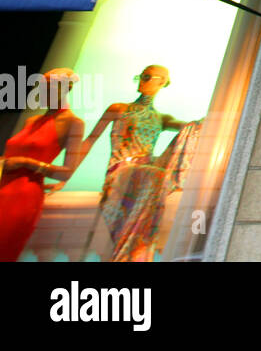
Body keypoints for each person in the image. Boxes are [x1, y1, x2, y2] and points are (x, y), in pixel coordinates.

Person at [77, 65, 202, 262]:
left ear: (162, 82)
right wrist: (65, 175)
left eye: (147, 77)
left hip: (147, 174)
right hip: (121, 169)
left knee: (192, 130)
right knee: (158, 176)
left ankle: (137, 251)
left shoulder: (161, 118)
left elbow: (191, 129)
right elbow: (90, 140)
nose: (142, 81)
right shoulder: (118, 109)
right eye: (141, 76)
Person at [0, 68, 85, 261]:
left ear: (65, 89)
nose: (41, 93)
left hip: (22, 197)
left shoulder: (73, 123)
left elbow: (67, 172)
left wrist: (27, 163)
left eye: (48, 88)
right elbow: (10, 155)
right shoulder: (32, 120)